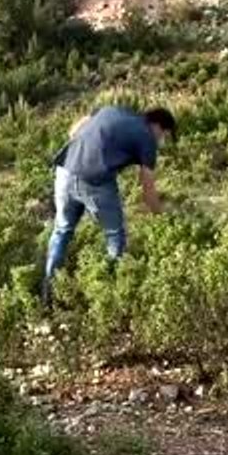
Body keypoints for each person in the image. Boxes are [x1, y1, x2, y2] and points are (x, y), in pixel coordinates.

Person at [42, 105, 177, 306]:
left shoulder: (110, 110)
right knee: (116, 234)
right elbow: (147, 189)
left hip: (65, 170)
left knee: (62, 231)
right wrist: (162, 218)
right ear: (157, 125)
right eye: (164, 135)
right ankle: (109, 294)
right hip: (95, 180)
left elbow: (74, 130)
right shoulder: (147, 138)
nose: (161, 140)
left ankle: (48, 295)